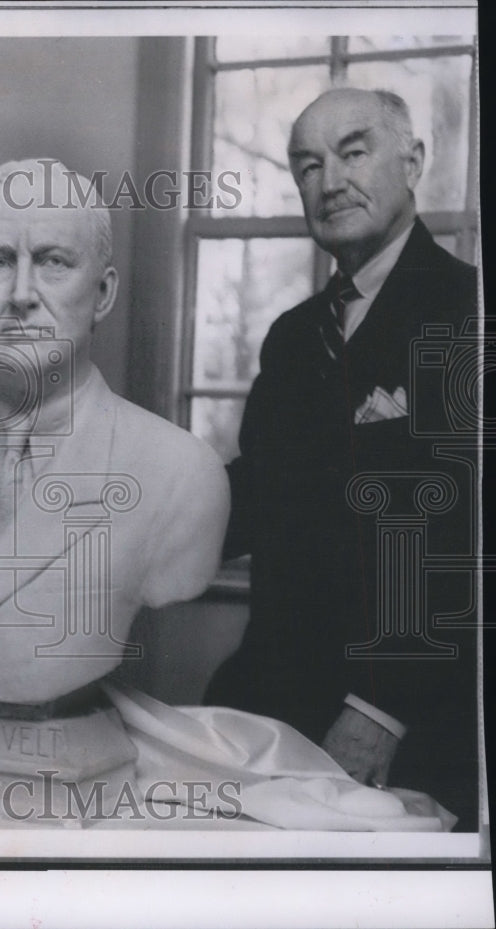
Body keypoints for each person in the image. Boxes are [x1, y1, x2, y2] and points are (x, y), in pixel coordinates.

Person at [204, 89, 479, 828]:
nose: (329, 180)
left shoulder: (470, 314)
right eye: (307, 165)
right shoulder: (293, 336)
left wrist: (383, 707)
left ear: (414, 161)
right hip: (273, 696)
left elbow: (470, 542)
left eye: (354, 151)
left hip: (411, 718)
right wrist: (143, 512)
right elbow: (257, 491)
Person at [0, 160, 229, 705]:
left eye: (52, 262)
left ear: (103, 295)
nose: (21, 294)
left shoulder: (182, 473)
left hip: (70, 771)